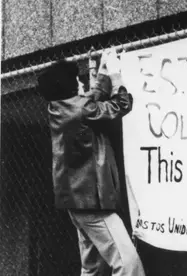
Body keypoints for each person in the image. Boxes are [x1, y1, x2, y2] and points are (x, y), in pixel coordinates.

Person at [37, 49, 144, 276]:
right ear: (69, 88)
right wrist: (115, 76)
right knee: (128, 264)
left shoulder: (59, 108)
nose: (80, 82)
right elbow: (122, 104)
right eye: (77, 80)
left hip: (77, 203)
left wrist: (101, 77)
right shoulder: (80, 110)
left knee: (92, 267)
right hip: (93, 204)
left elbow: (88, 105)